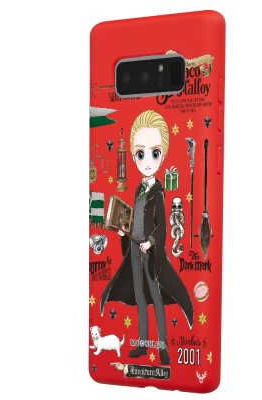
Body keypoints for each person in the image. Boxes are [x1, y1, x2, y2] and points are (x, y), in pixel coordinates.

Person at [101, 110, 193, 365]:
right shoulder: (139, 189)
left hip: (150, 254)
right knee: (140, 296)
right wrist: (125, 231)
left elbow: (161, 225)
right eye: (141, 154)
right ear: (134, 156)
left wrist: (150, 242)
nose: (147, 161)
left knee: (155, 297)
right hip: (134, 248)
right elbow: (135, 219)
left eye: (155, 153)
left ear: (162, 155)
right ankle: (142, 342)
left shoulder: (159, 193)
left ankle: (162, 347)